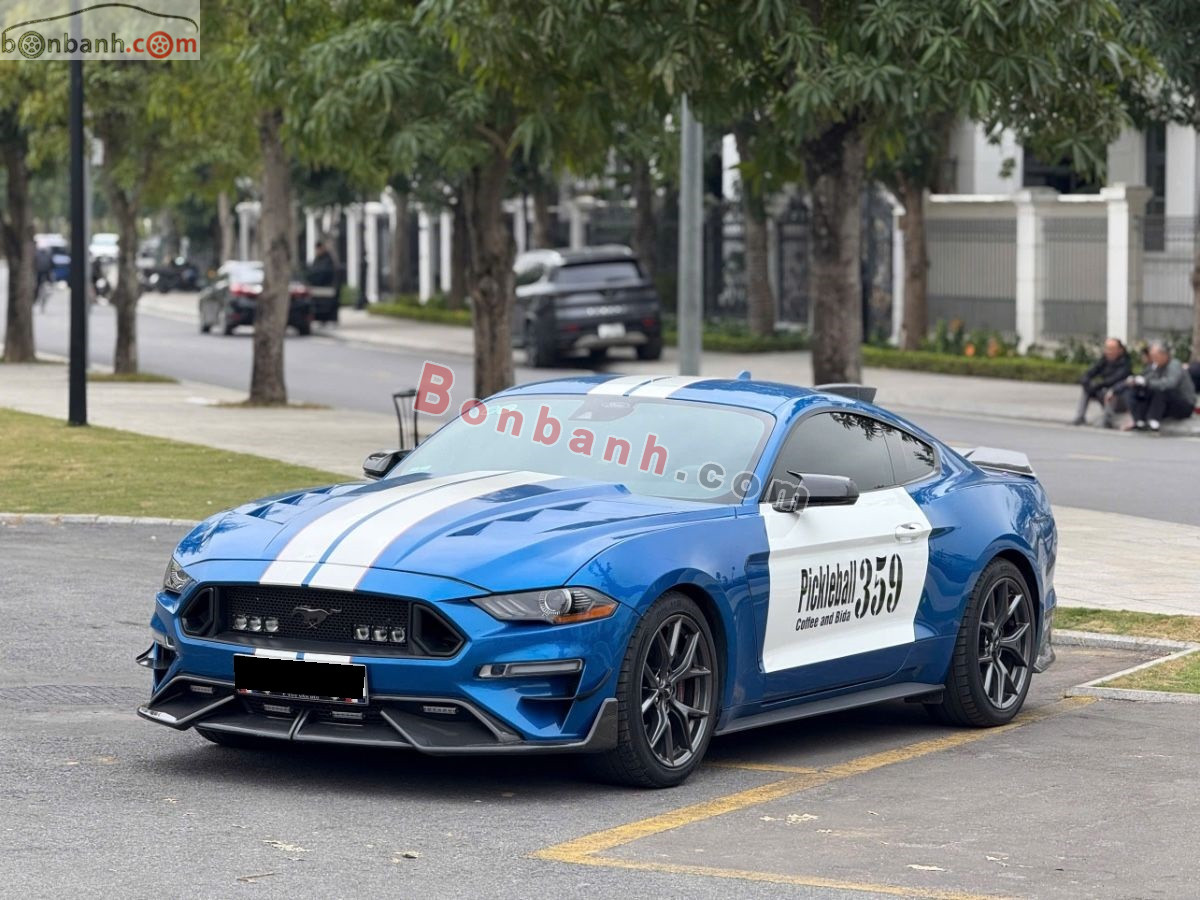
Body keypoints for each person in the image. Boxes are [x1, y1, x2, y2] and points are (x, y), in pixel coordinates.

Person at [1121, 341, 1196, 432]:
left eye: (1155, 356)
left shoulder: (1174, 365)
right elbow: (1147, 378)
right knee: (1139, 391)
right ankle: (1139, 420)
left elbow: (1170, 383)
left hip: (1183, 404)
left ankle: (1154, 421)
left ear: (1164, 355)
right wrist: (1137, 380)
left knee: (1161, 391)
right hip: (1166, 404)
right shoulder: (1156, 366)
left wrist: (1147, 382)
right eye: (1152, 357)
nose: (1153, 359)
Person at [1074, 338, 1131, 426]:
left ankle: (1107, 420)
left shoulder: (1125, 363)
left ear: (1120, 350)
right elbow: (1091, 371)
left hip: (1118, 395)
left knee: (1109, 392)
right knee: (1086, 390)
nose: (1109, 352)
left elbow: (1114, 379)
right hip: (1103, 389)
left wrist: (1098, 385)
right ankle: (1080, 416)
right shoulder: (1104, 360)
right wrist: (1086, 380)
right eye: (1107, 349)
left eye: (1112, 349)